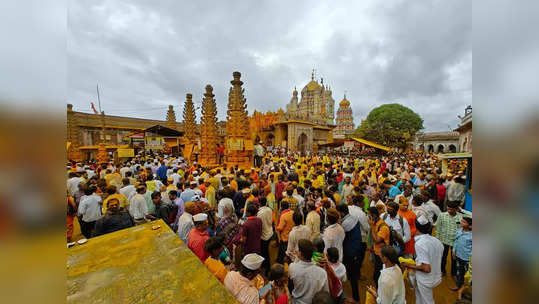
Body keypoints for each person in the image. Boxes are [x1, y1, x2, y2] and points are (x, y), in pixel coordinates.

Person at [401, 215, 444, 304]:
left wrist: (409, 265)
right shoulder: (437, 241)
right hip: (436, 276)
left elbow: (426, 268)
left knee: (428, 301)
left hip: (426, 279)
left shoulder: (420, 244)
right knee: (419, 297)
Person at [288, 239, 329, 304]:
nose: (297, 251)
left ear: (300, 254)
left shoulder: (292, 267)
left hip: (297, 301)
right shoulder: (322, 273)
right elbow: (326, 292)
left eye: (298, 250)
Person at [336, 203, 363, 302]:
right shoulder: (352, 218)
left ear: (342, 213)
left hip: (350, 252)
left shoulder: (346, 224)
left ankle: (355, 298)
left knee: (351, 275)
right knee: (352, 275)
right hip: (355, 249)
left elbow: (340, 236)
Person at [435, 200, 463, 276]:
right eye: (448, 208)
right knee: (443, 257)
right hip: (444, 240)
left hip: (455, 241)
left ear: (456, 209)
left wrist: (462, 210)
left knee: (454, 257)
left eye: (451, 209)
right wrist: (437, 240)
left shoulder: (461, 217)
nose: (449, 210)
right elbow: (438, 228)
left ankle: (453, 273)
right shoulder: (442, 215)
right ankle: (442, 270)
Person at [368, 206, 390, 288]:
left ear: (373, 216)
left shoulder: (383, 227)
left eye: (369, 215)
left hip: (383, 255)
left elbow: (377, 240)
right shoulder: (375, 223)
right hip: (377, 253)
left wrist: (371, 227)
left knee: (378, 276)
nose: (368, 217)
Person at [451, 217, 472, 291]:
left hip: (467, 258)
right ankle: (458, 285)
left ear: (470, 226)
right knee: (459, 272)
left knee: (468, 275)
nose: (461, 223)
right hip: (458, 256)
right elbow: (456, 241)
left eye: (464, 222)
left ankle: (467, 289)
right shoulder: (459, 231)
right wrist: (454, 251)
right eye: (461, 221)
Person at [256, 197, 273, 273]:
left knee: (265, 252)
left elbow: (259, 226)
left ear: (259, 203)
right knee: (265, 251)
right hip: (270, 232)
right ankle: (265, 265)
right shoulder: (269, 209)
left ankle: (268, 268)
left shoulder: (260, 213)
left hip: (264, 235)